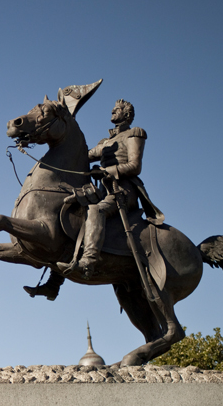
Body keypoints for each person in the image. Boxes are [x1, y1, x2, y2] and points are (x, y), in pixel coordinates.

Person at [55, 98, 162, 280]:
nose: (112, 111)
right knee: (70, 212)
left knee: (96, 210)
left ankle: (88, 263)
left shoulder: (134, 134)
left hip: (123, 191)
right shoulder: (105, 141)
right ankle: (54, 281)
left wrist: (105, 171)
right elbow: (82, 157)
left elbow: (135, 166)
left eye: (117, 109)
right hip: (103, 190)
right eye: (113, 108)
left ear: (126, 115)